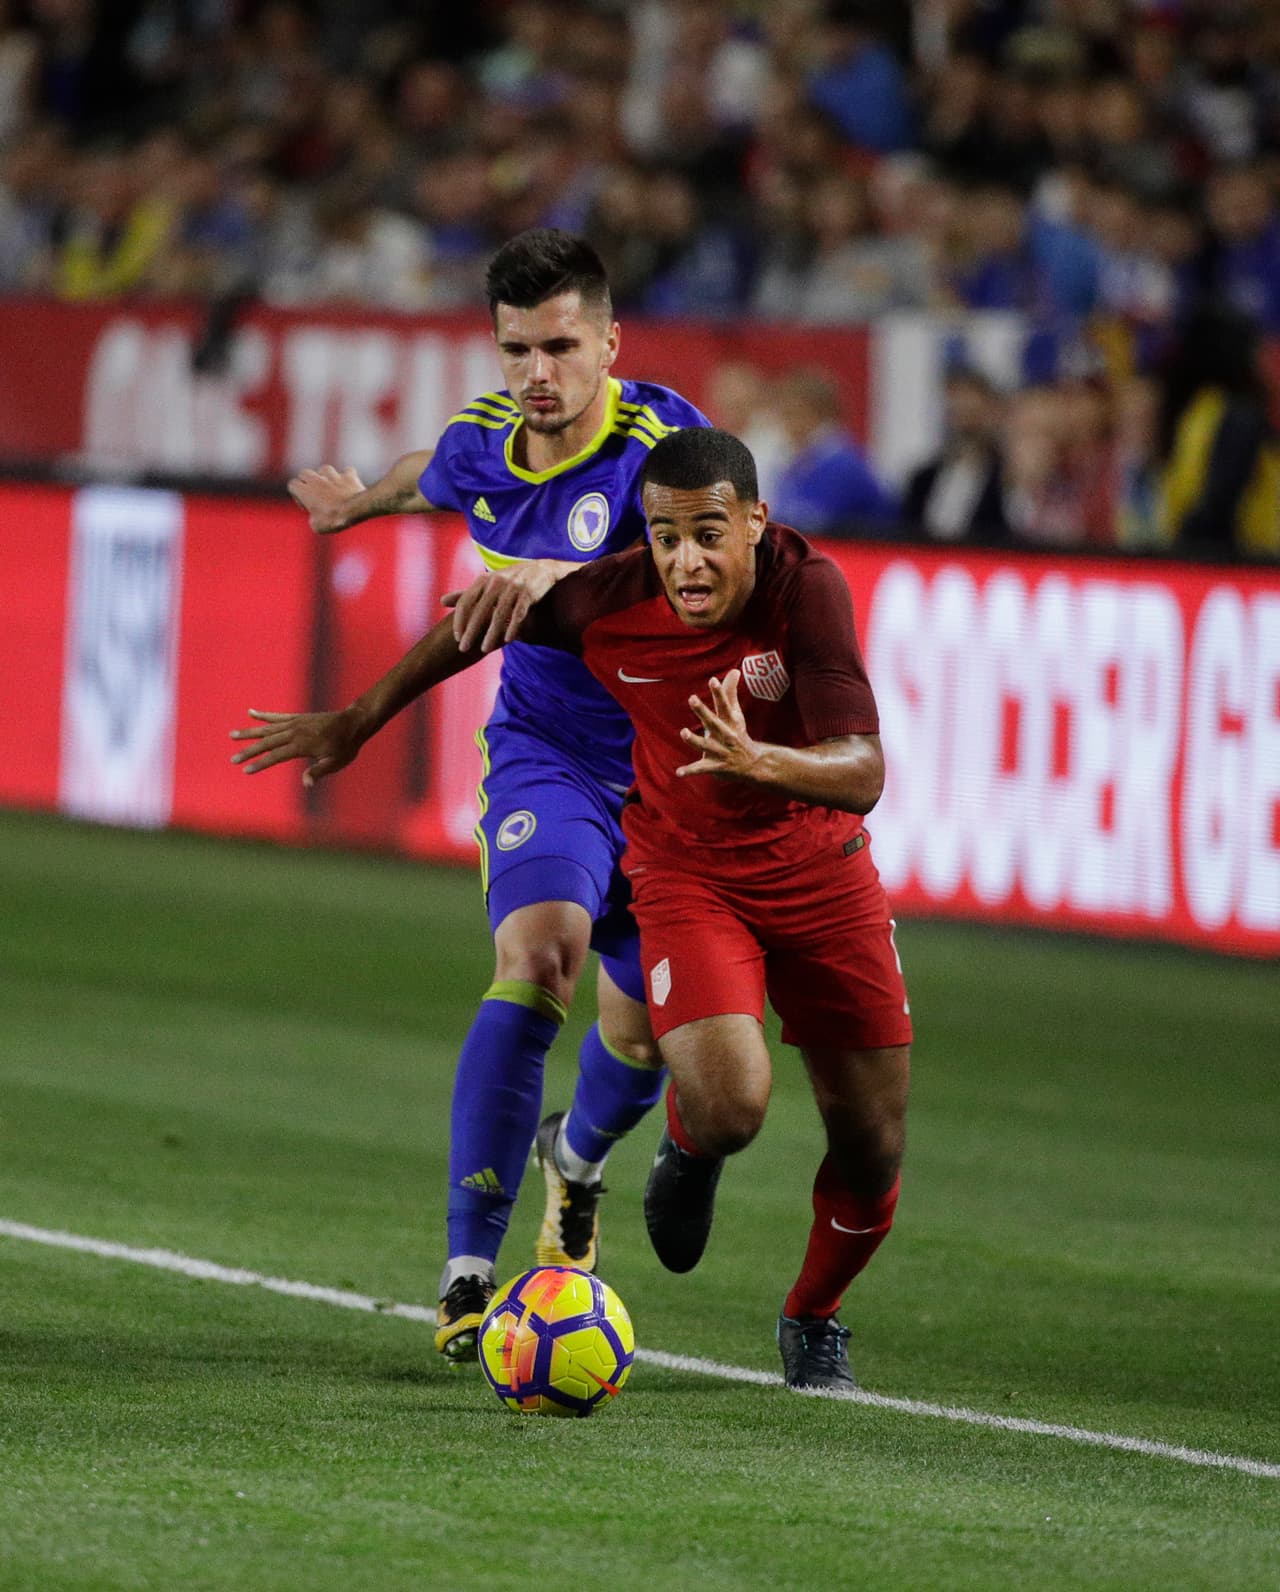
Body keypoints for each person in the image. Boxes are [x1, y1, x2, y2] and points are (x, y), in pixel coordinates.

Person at [233, 427, 912, 1392]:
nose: (687, 560)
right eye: (667, 536)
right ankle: (681, 1150)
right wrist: (356, 717)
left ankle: (813, 1318)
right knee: (728, 1109)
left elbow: (865, 770)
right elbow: (476, 623)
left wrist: (766, 762)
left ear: (757, 522)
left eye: (710, 534)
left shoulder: (811, 590)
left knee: (872, 1140)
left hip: (822, 875)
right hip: (686, 875)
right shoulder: (609, 596)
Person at [282, 227, 709, 1364]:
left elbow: (702, 574)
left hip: (672, 770)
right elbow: (434, 469)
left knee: (649, 1032)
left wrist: (558, 576)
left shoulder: (665, 447)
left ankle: (574, 1162)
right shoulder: (487, 441)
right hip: (549, 752)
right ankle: (470, 1266)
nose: (538, 373)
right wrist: (358, 506)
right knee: (537, 958)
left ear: (609, 342)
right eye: (517, 348)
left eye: (561, 346)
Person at [770, 367, 896, 536]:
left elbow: (814, 525)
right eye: (784, 415)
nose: (787, 426)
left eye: (794, 414)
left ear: (820, 414)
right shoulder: (795, 466)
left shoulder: (843, 466)